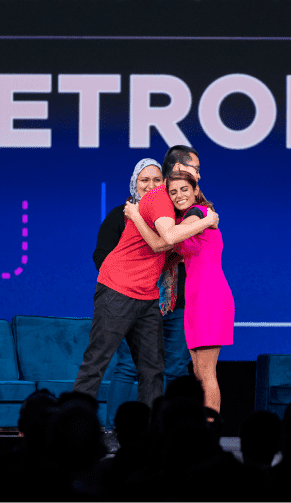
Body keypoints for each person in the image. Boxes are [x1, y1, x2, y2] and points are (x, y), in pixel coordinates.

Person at [72, 153, 218, 409]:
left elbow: (168, 251)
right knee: (97, 361)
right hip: (119, 289)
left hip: (148, 295)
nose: (179, 191)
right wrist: (207, 220)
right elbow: (166, 239)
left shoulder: (179, 207)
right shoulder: (159, 199)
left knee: (153, 368)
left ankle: (149, 434)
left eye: (194, 172)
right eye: (184, 170)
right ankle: (72, 426)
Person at [92, 158, 192, 436]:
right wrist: (128, 283)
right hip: (131, 300)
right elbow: (101, 256)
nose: (151, 186)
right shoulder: (120, 215)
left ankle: (168, 430)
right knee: (127, 366)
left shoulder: (176, 216)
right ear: (134, 183)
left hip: (175, 304)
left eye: (157, 180)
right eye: (143, 180)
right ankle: (114, 430)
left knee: (173, 367)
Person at [126, 168, 234, 414]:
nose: (178, 195)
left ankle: (211, 431)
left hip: (210, 295)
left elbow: (169, 236)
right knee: (198, 373)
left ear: (196, 190)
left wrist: (136, 214)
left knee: (207, 374)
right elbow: (158, 245)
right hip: (195, 299)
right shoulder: (187, 222)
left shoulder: (198, 213)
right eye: (173, 192)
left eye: (184, 189)